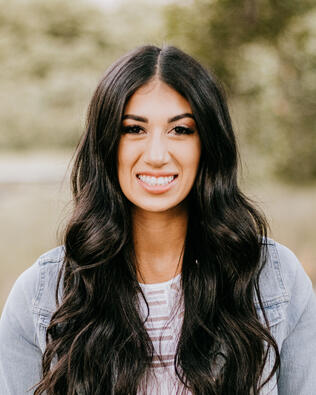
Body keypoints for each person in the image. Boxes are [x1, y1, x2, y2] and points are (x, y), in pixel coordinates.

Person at [0, 45, 315, 395]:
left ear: (208, 144)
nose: (156, 155)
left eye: (180, 130)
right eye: (133, 129)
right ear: (107, 144)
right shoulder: (41, 296)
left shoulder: (275, 280)